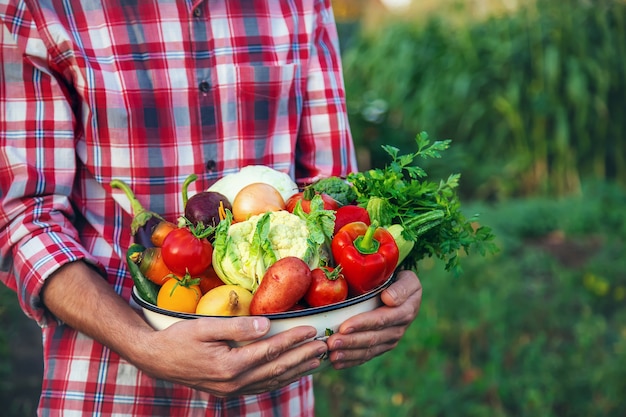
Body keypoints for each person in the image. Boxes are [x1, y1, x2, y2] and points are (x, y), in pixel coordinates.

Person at [0, 0, 423, 415]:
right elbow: (25, 217)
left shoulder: (303, 5)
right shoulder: (41, 7)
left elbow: (338, 195)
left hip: (274, 391)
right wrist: (142, 343)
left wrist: (386, 282)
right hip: (111, 386)